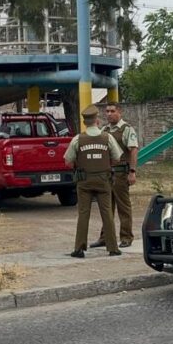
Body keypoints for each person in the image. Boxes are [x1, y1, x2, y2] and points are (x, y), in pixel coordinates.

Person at [64, 104, 123, 258]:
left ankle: (79, 248)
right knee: (107, 213)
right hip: (103, 180)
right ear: (97, 120)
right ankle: (113, 248)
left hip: (84, 181)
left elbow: (68, 161)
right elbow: (117, 158)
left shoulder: (78, 139)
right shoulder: (107, 137)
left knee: (83, 214)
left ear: (84, 122)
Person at [89, 103, 139, 249]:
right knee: (106, 207)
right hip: (106, 174)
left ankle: (126, 237)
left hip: (120, 173)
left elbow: (133, 150)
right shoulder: (104, 130)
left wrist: (132, 172)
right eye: (107, 111)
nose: (109, 114)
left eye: (112, 111)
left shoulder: (126, 129)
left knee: (123, 207)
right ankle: (105, 237)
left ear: (119, 112)